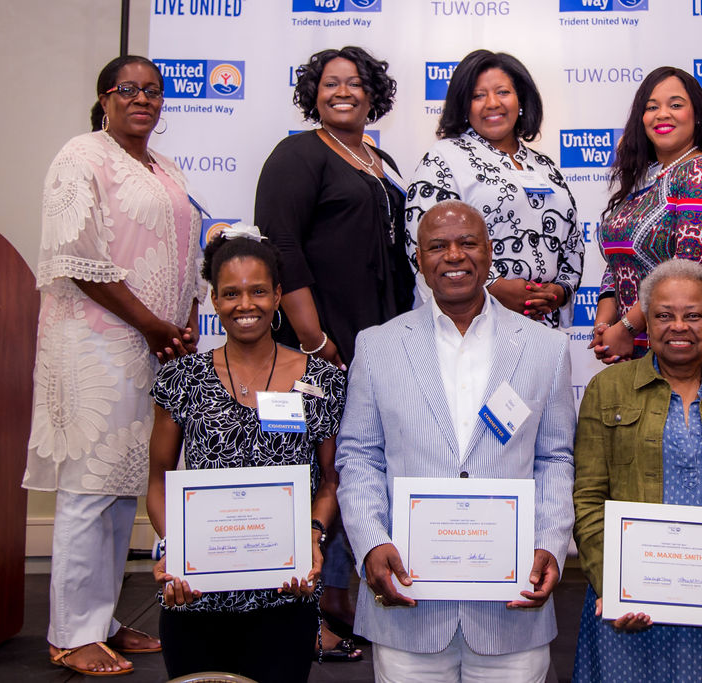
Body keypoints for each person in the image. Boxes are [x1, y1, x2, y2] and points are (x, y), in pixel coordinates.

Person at [336, 200, 576, 682]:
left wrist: (550, 541)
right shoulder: (377, 345)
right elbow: (359, 455)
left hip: (512, 606)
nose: (454, 256)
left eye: (468, 243)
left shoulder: (545, 348)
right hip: (409, 602)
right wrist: (370, 542)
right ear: (419, 259)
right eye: (437, 246)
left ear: (489, 254)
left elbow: (554, 458)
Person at [23, 55, 203, 676]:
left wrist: (186, 316)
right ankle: (70, 633)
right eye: (128, 89)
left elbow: (183, 252)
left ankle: (97, 618)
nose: (142, 99)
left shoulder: (164, 166)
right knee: (87, 491)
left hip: (150, 348)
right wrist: (154, 323)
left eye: (153, 91)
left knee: (121, 490)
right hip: (96, 343)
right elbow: (76, 255)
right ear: (105, 98)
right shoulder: (82, 156)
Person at [255, 45, 414, 647]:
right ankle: (308, 611)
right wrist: (314, 338)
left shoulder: (381, 159)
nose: (341, 91)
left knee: (359, 470)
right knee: (313, 469)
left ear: (373, 94)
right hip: (321, 342)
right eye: (329, 83)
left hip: (378, 341)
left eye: (354, 83)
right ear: (313, 94)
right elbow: (281, 248)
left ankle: (343, 598)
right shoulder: (298, 154)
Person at [146, 228, 347, 682]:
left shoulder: (323, 382)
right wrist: (172, 549)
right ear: (214, 300)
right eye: (231, 293)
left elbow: (331, 479)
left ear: (278, 295)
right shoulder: (182, 379)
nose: (245, 304)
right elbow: (158, 478)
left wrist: (312, 539)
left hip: (285, 591)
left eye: (258, 291)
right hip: (195, 593)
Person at [572, 259, 702, 682]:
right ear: (646, 324)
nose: (679, 326)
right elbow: (589, 499)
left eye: (693, 315)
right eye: (664, 315)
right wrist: (612, 585)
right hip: (627, 613)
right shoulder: (607, 390)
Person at [405, 49, 584, 328]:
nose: (491, 103)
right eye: (478, 96)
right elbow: (423, 243)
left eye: (502, 92)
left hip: (543, 327)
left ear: (521, 99)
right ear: (464, 105)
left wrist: (558, 291)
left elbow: (572, 241)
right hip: (471, 321)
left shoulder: (544, 166)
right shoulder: (444, 159)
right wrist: (494, 287)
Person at [590, 67, 702, 367]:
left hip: (686, 343)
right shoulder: (644, 178)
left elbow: (686, 269)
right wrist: (605, 326)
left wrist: (627, 327)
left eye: (675, 104)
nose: (662, 114)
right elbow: (617, 265)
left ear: (697, 114)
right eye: (652, 107)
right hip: (634, 346)